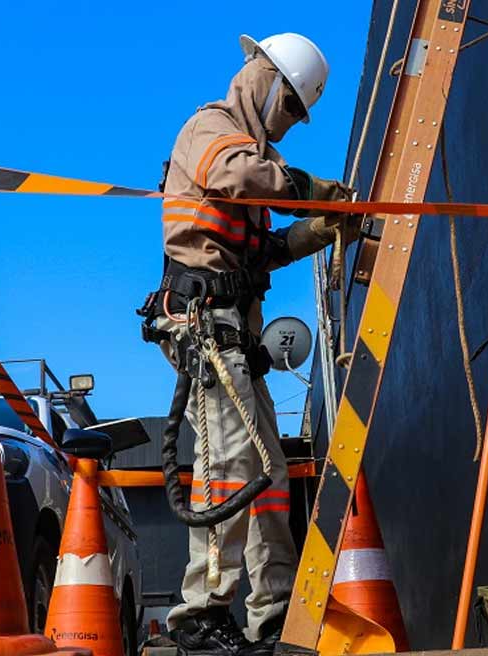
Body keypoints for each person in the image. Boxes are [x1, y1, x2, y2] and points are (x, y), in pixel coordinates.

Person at [140, 32, 358, 656]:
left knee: (273, 477)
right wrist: (315, 191)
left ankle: (274, 613)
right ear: (266, 82)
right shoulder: (212, 131)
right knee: (228, 465)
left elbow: (263, 251)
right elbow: (239, 177)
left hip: (234, 334)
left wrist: (320, 228)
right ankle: (199, 613)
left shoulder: (257, 168)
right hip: (206, 330)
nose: (290, 124)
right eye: (290, 108)